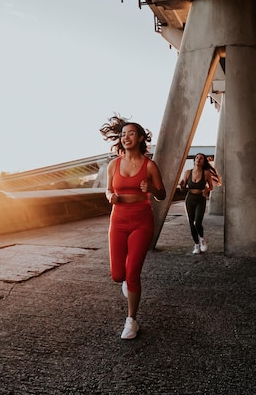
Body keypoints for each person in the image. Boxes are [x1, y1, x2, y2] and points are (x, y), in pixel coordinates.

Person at [100, 114, 166, 340]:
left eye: (131, 133)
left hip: (141, 220)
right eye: (123, 134)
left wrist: (151, 188)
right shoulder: (113, 165)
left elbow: (162, 194)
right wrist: (111, 197)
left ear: (139, 138)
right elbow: (108, 189)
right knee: (118, 275)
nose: (125, 137)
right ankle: (127, 281)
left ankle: (131, 321)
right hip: (118, 220)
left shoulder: (150, 166)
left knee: (133, 273)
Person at [179, 153, 216, 254]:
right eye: (197, 158)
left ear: (204, 162)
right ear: (194, 160)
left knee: (197, 222)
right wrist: (182, 186)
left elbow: (211, 186)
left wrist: (206, 190)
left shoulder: (206, 173)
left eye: (201, 158)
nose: (199, 159)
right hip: (190, 199)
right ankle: (196, 245)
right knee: (191, 223)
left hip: (200, 199)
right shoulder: (187, 172)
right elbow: (183, 188)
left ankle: (202, 239)